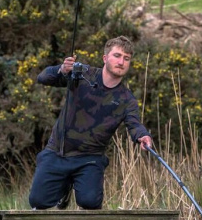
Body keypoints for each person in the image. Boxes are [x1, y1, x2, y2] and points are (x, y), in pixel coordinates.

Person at [28, 35, 152, 210]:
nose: (121, 62)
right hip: (58, 151)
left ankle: (77, 187)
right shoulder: (81, 74)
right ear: (105, 58)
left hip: (90, 158)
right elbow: (43, 78)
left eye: (126, 58)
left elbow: (134, 124)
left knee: (90, 203)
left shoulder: (127, 99)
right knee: (37, 201)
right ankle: (63, 190)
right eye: (117, 55)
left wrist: (143, 136)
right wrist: (62, 70)